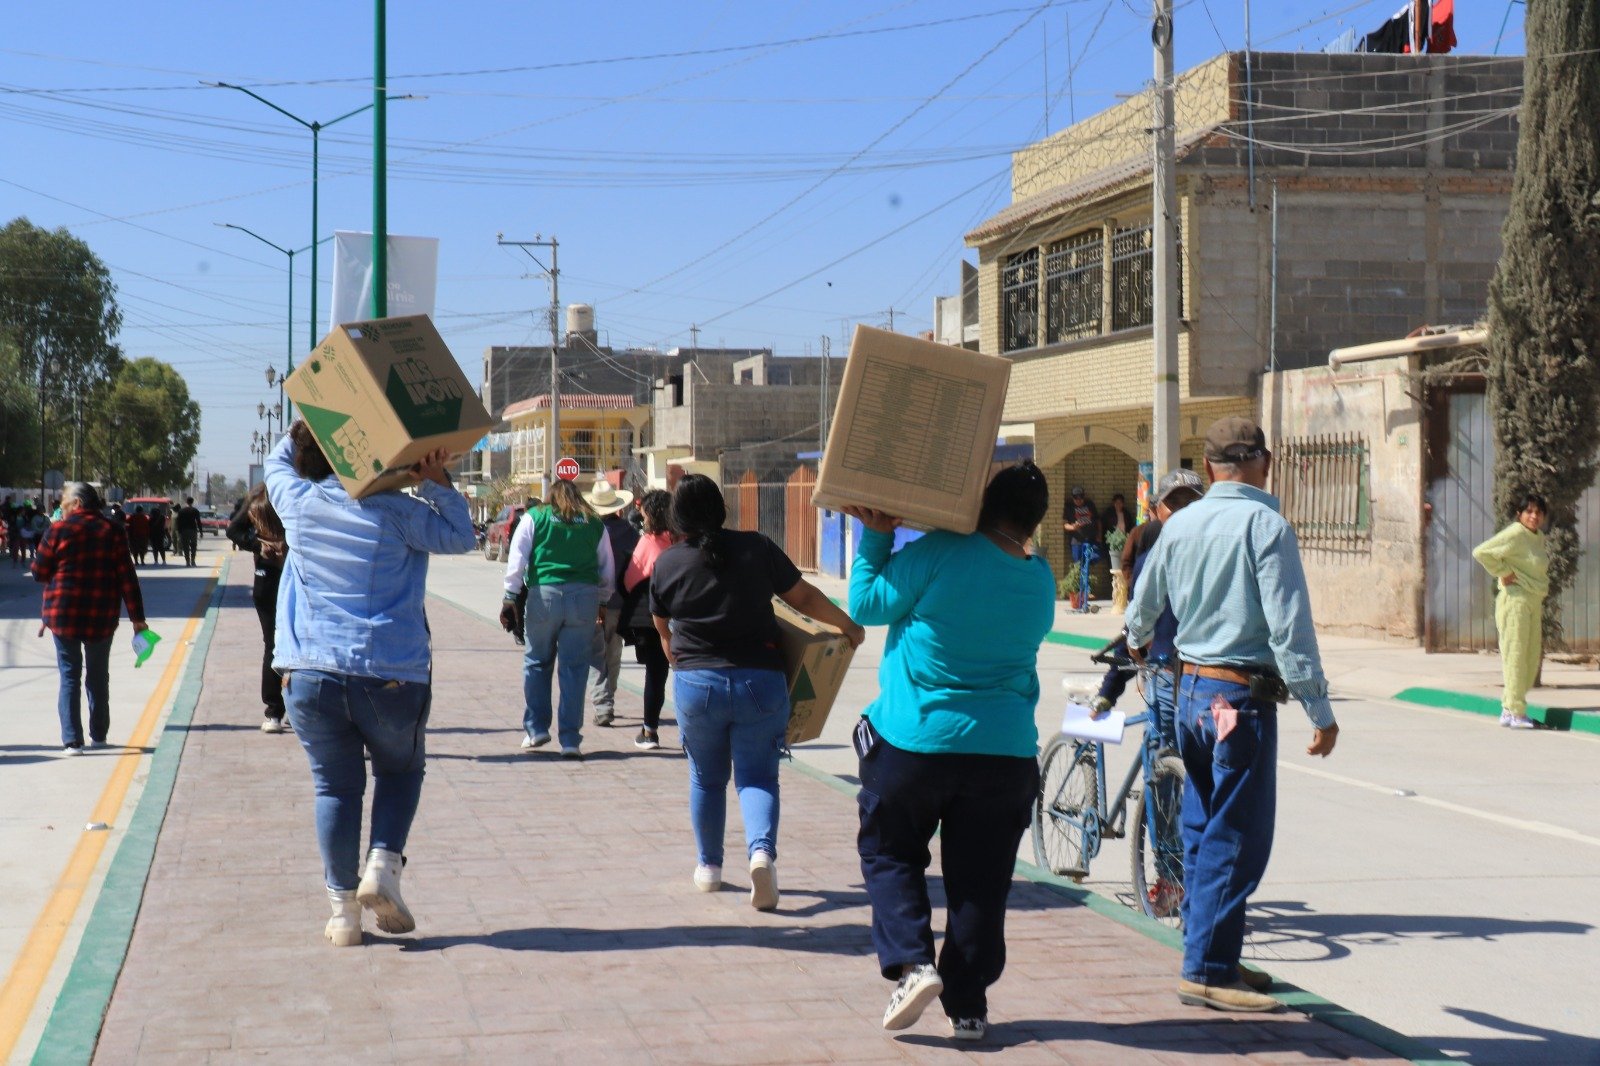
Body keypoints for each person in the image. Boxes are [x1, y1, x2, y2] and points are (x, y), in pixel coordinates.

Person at [1126, 416, 1338, 1014]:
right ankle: (1207, 970)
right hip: (1239, 699)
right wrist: (1320, 709)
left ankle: (1212, 948)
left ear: (1212, 465)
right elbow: (1289, 628)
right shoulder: (1266, 525)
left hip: (1191, 690)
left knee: (1200, 826)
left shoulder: (1181, 522)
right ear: (1260, 461)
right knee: (1237, 835)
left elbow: (1143, 607)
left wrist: (1138, 641)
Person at [842, 463, 1055, 1043]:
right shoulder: (1040, 578)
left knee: (890, 852)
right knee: (981, 883)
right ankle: (968, 1005)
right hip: (1006, 756)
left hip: (916, 744)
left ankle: (913, 965)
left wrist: (880, 532)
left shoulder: (939, 553)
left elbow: (864, 604)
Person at [265, 421, 476, 947]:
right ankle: (382, 864)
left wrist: (322, 414)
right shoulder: (402, 513)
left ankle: (342, 915)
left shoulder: (301, 504)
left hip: (311, 673)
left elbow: (275, 461)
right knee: (401, 771)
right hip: (391, 676)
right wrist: (432, 478)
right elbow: (461, 534)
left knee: (334, 787)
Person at [651, 474, 863, 910]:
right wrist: (849, 626)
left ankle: (709, 868)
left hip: (697, 684)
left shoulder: (668, 563)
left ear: (678, 518)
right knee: (758, 776)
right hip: (760, 683)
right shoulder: (756, 547)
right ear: (722, 509)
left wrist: (682, 664)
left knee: (706, 779)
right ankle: (761, 855)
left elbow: (663, 630)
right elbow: (803, 597)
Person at [31, 482, 148, 755]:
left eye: (65, 503)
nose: (62, 507)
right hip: (101, 616)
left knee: (69, 675)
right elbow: (126, 577)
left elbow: (38, 572)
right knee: (97, 675)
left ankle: (72, 741)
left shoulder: (58, 530)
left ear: (78, 504)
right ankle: (99, 734)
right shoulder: (113, 531)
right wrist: (137, 619)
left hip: (64, 615)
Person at [500, 481, 614, 758]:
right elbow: (607, 567)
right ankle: (570, 740)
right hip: (584, 598)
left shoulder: (534, 517)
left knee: (537, 661)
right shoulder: (593, 522)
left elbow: (518, 558)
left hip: (544, 596)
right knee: (575, 669)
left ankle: (537, 728)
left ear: (550, 496)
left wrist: (510, 595)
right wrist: (602, 600)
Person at [1091, 470, 1203, 722]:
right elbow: (1135, 630)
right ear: (1158, 510)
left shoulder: (1220, 559)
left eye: (1191, 503)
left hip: (1209, 681)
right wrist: (1109, 690)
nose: (1182, 511)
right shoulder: (1149, 563)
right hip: (1166, 679)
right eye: (1173, 504)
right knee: (1165, 754)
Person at [1472, 492, 1550, 729]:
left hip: (1533, 600)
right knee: (1516, 655)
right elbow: (1482, 552)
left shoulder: (1537, 538)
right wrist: (1504, 573)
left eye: (1538, 512)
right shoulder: (1516, 533)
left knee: (1529, 656)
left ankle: (1509, 708)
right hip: (1515, 601)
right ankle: (1516, 712)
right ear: (1519, 514)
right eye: (1528, 511)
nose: (1533, 516)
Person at [620, 489, 678, 750]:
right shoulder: (681, 541)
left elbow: (629, 580)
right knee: (689, 673)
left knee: (655, 674)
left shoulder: (647, 542)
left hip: (649, 617)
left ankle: (650, 731)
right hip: (682, 615)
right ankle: (692, 734)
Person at [228, 485, 289, 733]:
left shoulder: (296, 491)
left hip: (295, 575)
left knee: (297, 643)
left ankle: (295, 709)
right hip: (269, 577)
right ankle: (274, 711)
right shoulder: (258, 499)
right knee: (273, 644)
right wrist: (257, 544)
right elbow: (233, 530)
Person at [585, 479, 638, 727]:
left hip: (595, 602)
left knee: (596, 654)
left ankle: (603, 703)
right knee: (613, 651)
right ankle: (609, 697)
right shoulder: (629, 532)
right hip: (619, 603)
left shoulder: (588, 530)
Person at [1062, 484, 1100, 589]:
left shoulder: (1090, 505)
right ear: (1073, 497)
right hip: (1076, 541)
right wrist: (1073, 527)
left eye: (1081, 497)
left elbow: (1097, 520)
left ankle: (1085, 588)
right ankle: (1083, 589)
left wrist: (1099, 535)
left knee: (1095, 556)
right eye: (1076, 498)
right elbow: (1065, 524)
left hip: (1090, 539)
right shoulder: (1069, 507)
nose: (1078, 500)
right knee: (1078, 565)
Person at [174, 497, 202, 567]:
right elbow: (198, 521)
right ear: (192, 502)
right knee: (193, 545)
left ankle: (187, 561)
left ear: (186, 502)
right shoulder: (195, 510)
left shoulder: (181, 511)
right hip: (193, 530)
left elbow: (178, 522)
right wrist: (201, 531)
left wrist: (179, 531)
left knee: (185, 546)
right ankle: (193, 560)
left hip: (184, 530)